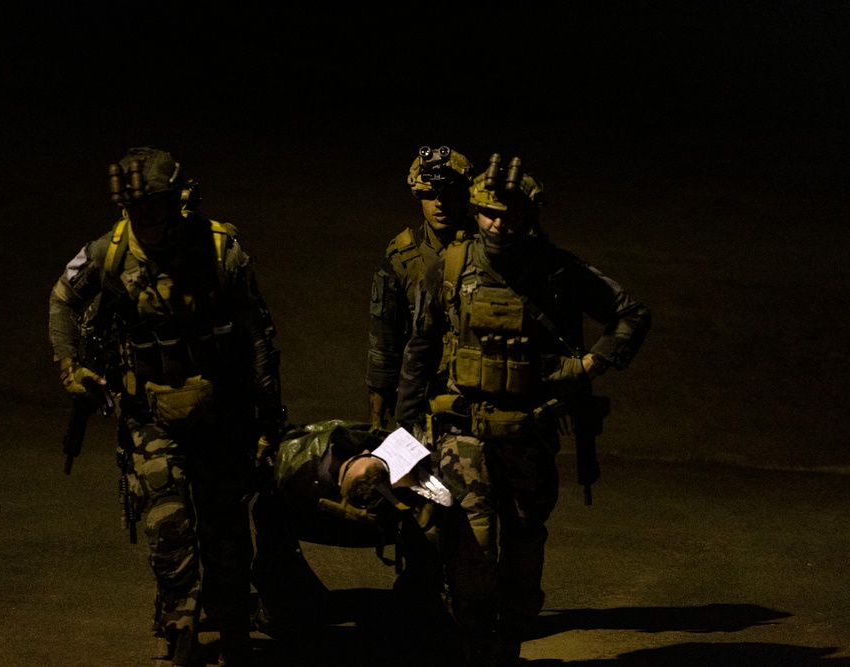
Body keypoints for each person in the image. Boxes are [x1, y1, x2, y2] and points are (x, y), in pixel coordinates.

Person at [395, 152, 651, 666]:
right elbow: (419, 351)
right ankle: (469, 646)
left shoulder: (557, 271)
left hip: (528, 434)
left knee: (523, 549)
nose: (497, 223)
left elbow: (630, 314)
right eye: (488, 212)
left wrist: (590, 366)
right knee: (472, 542)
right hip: (461, 430)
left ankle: (504, 645)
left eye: (509, 214)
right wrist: (401, 442)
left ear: (530, 216)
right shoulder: (449, 266)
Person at [48, 146, 284, 667]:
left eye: (155, 205)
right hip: (150, 416)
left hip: (221, 417)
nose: (145, 218)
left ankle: (231, 624)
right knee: (167, 527)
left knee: (225, 532)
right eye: (136, 208)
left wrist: (268, 422)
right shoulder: (107, 253)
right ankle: (181, 625)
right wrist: (72, 369)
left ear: (178, 201)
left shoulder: (221, 250)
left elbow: (258, 337)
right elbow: (63, 300)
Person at [250, 420, 443, 638]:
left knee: (266, 510)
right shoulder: (395, 488)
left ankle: (279, 606)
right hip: (379, 529)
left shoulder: (294, 471)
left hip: (311, 525)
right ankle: (420, 603)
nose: (368, 449)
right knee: (430, 524)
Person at [367, 145, 478, 430]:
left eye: (449, 194)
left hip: (482, 394)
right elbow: (384, 346)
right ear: (418, 197)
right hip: (424, 399)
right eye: (430, 195)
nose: (439, 203)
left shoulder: (488, 251)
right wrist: (377, 422)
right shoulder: (402, 259)